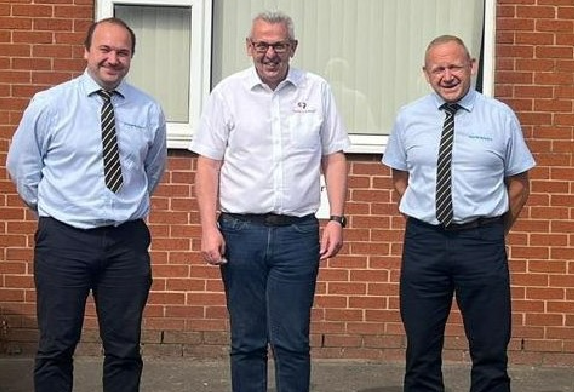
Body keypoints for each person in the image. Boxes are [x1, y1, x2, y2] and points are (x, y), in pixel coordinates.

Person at [190, 10, 350, 392]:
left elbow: (335, 156)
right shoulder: (227, 94)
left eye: (279, 45)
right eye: (261, 44)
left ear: (292, 47)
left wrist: (336, 219)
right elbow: (208, 165)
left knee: (292, 341)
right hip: (239, 232)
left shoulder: (317, 90)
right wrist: (208, 228)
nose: (270, 53)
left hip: (297, 234)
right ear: (249, 47)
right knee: (247, 341)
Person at [6, 17, 166, 392]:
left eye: (122, 52)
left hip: (125, 243)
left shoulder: (147, 110)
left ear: (131, 58)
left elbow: (150, 171)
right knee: (56, 346)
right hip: (64, 240)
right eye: (105, 50)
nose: (113, 59)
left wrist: (123, 207)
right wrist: (53, 209)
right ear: (87, 52)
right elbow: (23, 166)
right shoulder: (49, 104)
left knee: (125, 348)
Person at [382, 35, 535, 392]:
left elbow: (519, 185)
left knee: (490, 351)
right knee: (420, 351)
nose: (447, 76)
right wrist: (428, 217)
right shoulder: (408, 118)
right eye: (438, 69)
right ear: (426, 73)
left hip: (481, 242)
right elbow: (401, 180)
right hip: (425, 243)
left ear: (472, 67)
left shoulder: (500, 117)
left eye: (455, 66)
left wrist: (494, 230)